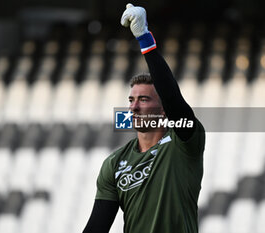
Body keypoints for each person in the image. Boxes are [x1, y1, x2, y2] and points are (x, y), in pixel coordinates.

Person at [83, 3, 205, 233]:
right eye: (131, 101)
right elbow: (97, 226)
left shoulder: (185, 142)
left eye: (144, 100)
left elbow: (173, 99)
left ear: (163, 110)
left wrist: (145, 40)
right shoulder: (115, 163)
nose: (134, 108)